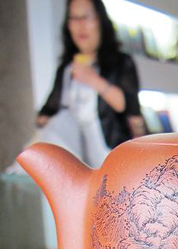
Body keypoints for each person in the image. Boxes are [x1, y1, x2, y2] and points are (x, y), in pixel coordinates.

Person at [36, 0, 146, 168]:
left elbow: (128, 107)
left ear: (100, 20)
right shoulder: (66, 69)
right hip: (75, 158)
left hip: (112, 156)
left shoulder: (121, 62)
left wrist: (92, 79)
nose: (81, 25)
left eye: (86, 17)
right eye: (74, 18)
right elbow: (47, 113)